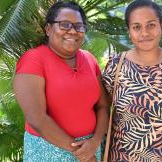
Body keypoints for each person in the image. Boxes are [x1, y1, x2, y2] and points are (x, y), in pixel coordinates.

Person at [13, 1, 108, 161]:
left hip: (90, 147)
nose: (72, 31)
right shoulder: (34, 60)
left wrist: (95, 142)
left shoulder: (90, 59)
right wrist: (82, 154)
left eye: (79, 26)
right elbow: (37, 118)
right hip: (48, 151)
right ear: (48, 29)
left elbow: (103, 106)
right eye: (64, 25)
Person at [102, 0, 162, 161]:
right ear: (129, 31)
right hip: (123, 156)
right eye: (136, 27)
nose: (144, 33)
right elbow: (102, 108)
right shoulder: (116, 64)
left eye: (151, 25)